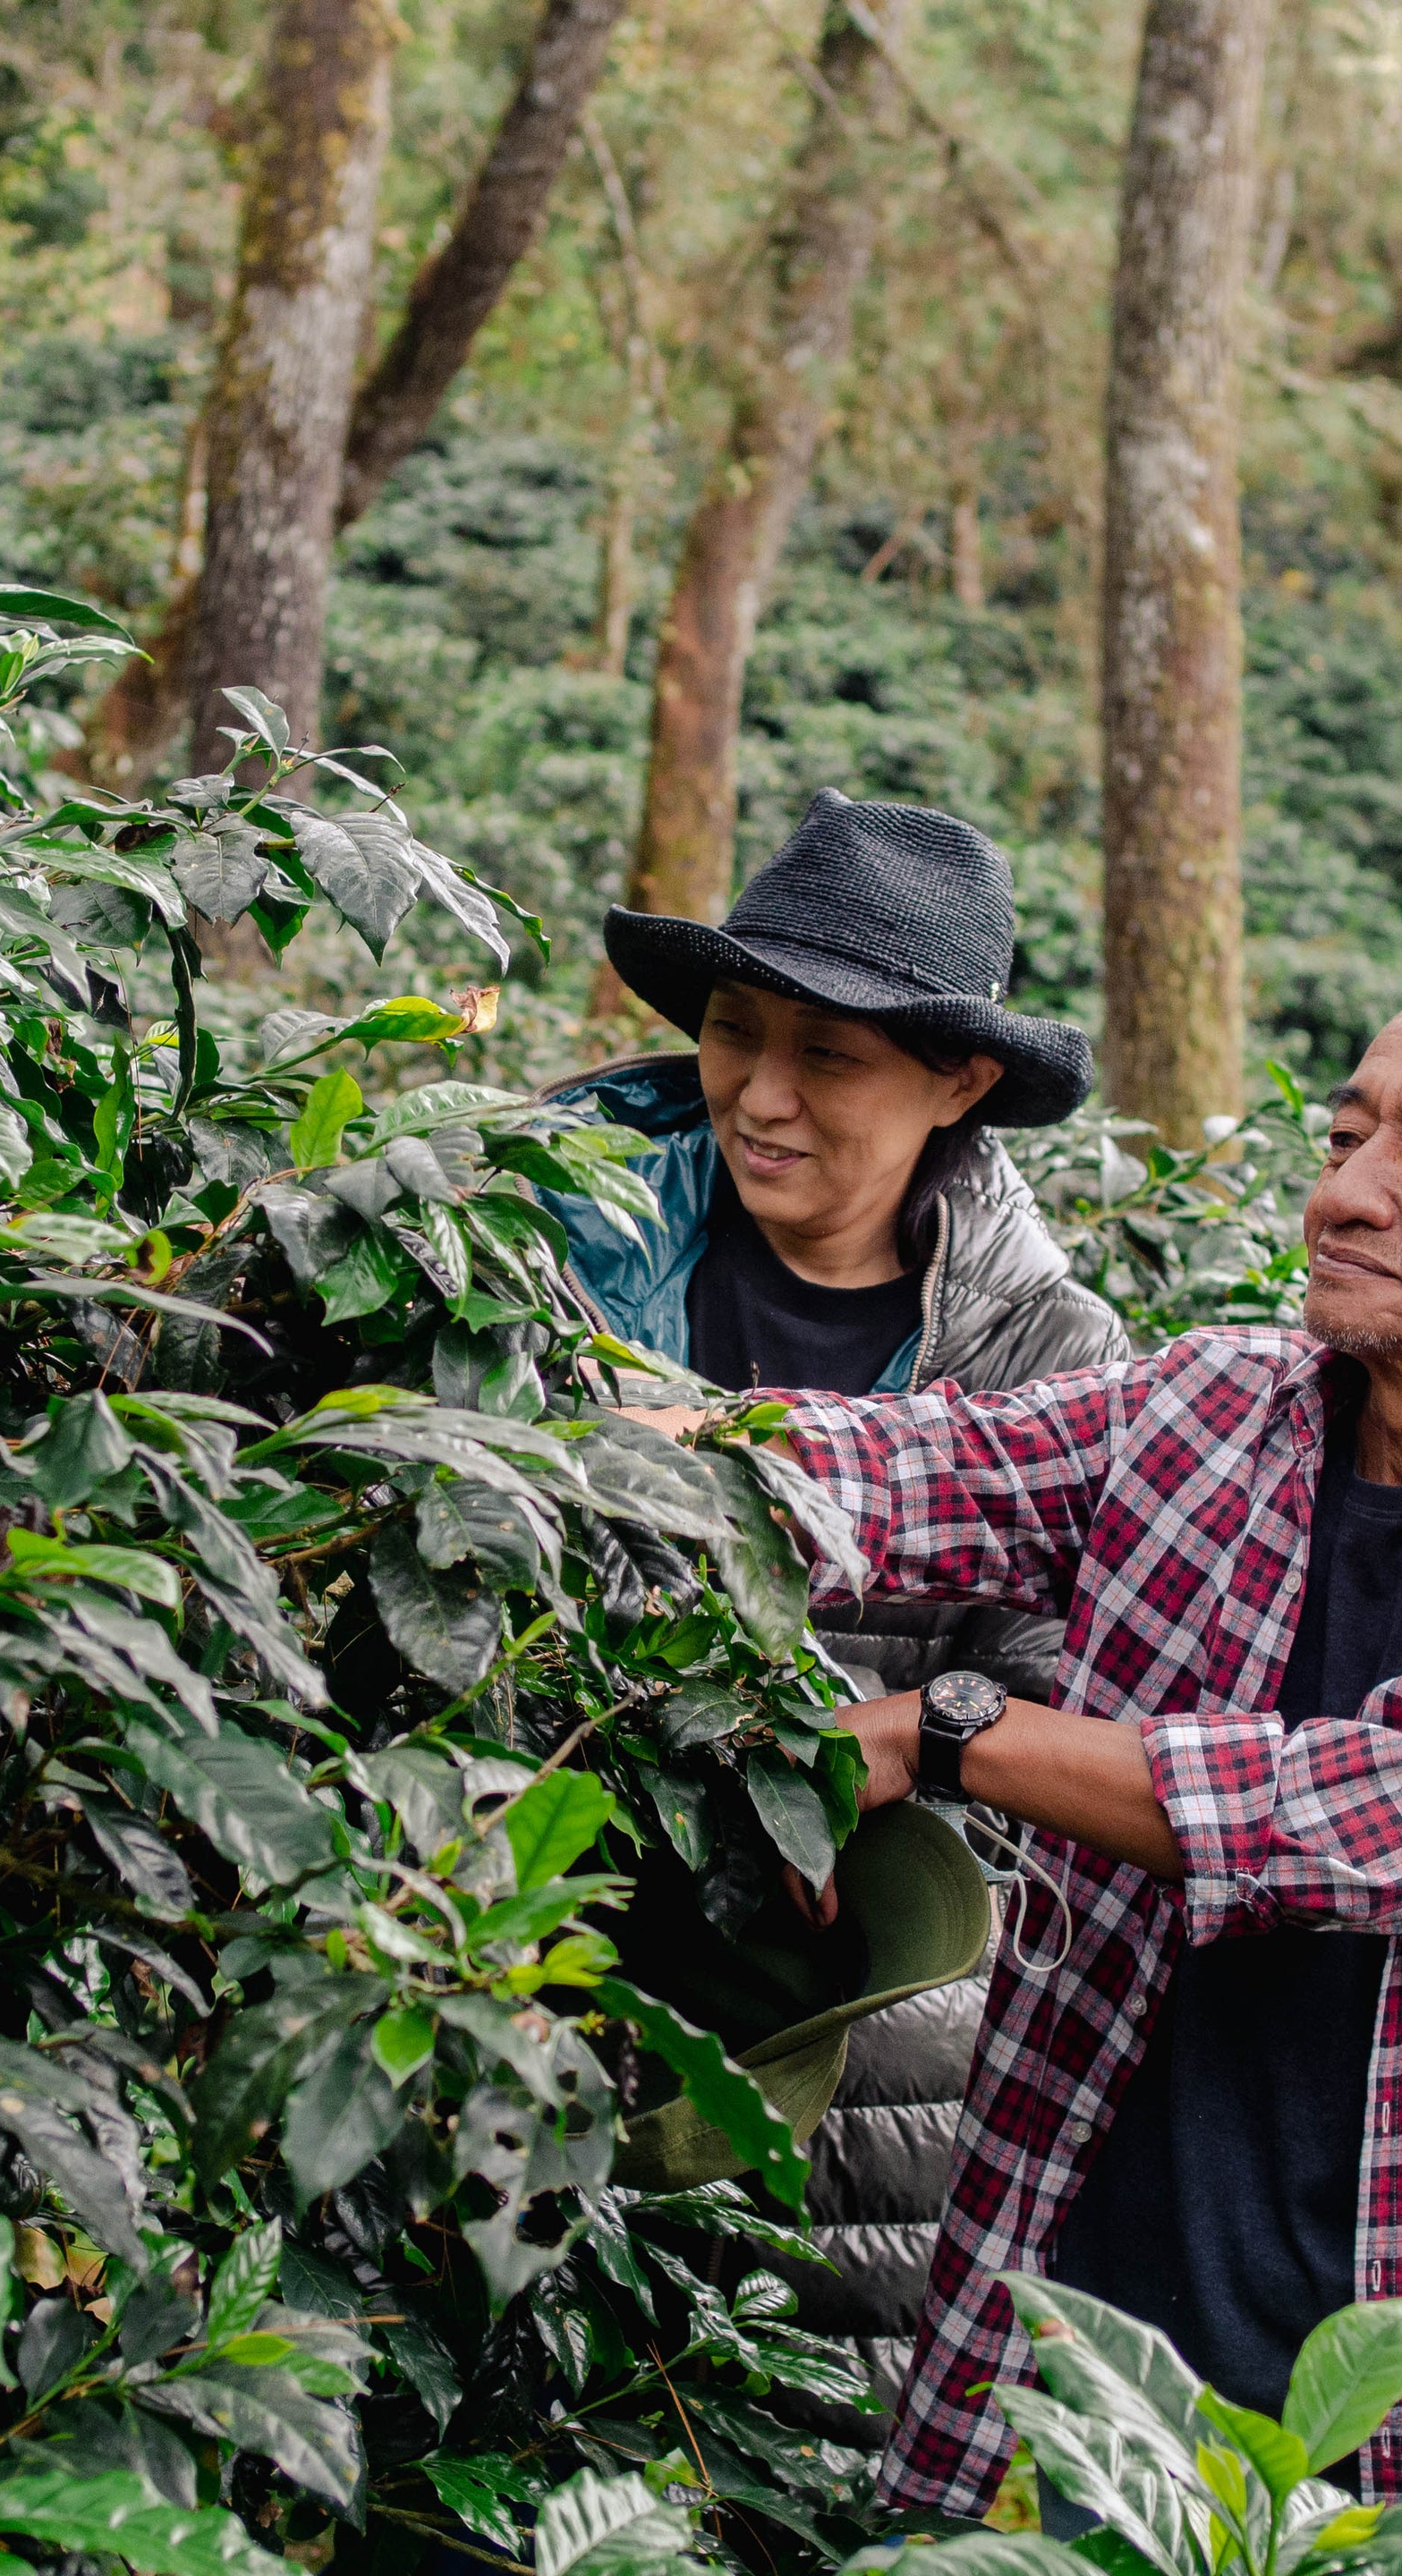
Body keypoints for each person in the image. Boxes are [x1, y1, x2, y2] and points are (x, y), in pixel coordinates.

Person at [627, 945, 1402, 2508]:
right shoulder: (1205, 1409)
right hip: (1058, 2355)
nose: (1344, 1192)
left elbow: (1401, 1816)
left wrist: (945, 1729)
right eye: (1344, 1140)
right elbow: (891, 1469)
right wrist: (603, 1442)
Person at [548, 787, 1128, 2429]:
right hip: (510, 1985)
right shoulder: (542, 1241)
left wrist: (866, 1801)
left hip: (852, 2112)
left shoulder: (1049, 1362)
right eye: (738, 1033)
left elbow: (1057, 1750)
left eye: (834, 1056)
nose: (765, 1095)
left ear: (963, 1084)